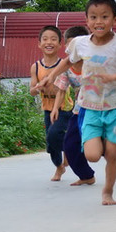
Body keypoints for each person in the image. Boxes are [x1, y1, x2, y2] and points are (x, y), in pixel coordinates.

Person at [37, 0, 116, 205]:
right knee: (92, 155)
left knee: (112, 154)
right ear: (87, 21)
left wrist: (113, 77)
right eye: (94, 17)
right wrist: (50, 76)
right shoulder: (80, 44)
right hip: (89, 107)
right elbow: (67, 61)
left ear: (115, 20)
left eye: (104, 17)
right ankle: (102, 139)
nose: (99, 21)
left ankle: (107, 192)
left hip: (115, 108)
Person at [51, 25, 96, 186]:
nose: (73, 49)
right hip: (79, 109)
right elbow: (61, 90)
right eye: (70, 45)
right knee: (69, 145)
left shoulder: (94, 61)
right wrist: (55, 108)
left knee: (96, 145)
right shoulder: (66, 67)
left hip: (100, 109)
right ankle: (86, 175)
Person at [29, 25, 69, 181]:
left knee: (53, 135)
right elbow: (32, 89)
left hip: (64, 108)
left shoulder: (64, 64)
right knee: (50, 145)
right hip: (47, 108)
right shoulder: (36, 67)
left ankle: (69, 151)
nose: (49, 42)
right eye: (45, 39)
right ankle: (59, 167)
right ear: (39, 43)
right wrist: (38, 88)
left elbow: (67, 85)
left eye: (53, 39)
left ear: (60, 44)